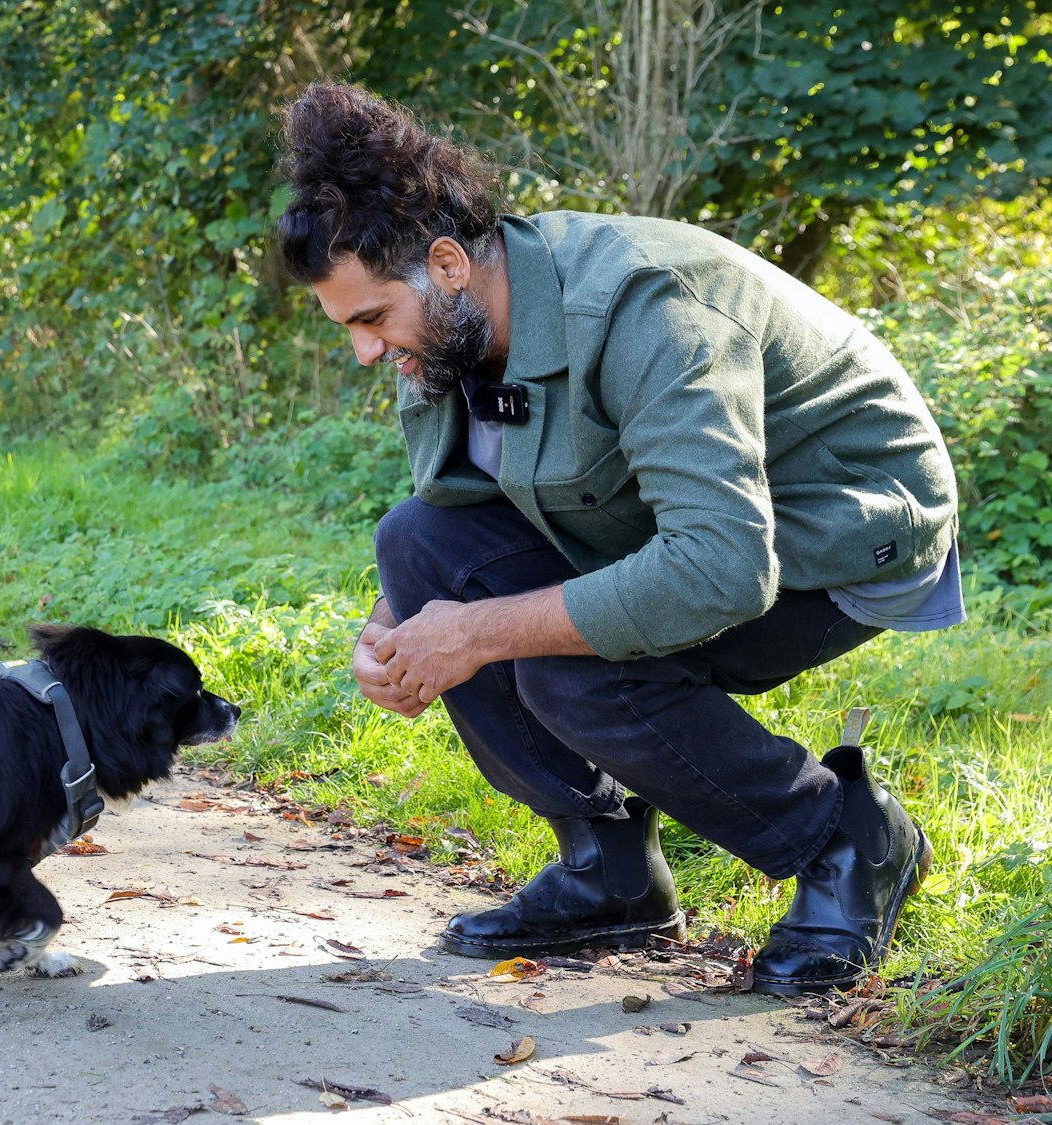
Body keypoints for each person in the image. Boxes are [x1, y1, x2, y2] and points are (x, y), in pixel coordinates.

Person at [274, 81, 961, 994]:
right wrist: (395, 629)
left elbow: (718, 569)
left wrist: (477, 633)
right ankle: (611, 869)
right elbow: (454, 505)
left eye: (369, 320)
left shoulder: (650, 308)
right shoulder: (446, 331)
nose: (365, 351)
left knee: (564, 664)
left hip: (841, 528)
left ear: (445, 265)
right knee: (415, 544)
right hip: (677, 525)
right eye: (348, 327)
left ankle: (845, 836)